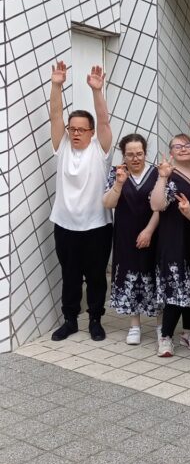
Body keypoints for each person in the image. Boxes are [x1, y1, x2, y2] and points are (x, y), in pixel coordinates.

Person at [49, 61, 113, 342]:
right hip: (65, 225)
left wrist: (97, 91)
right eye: (72, 129)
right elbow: (55, 117)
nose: (74, 133)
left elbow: (104, 120)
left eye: (80, 129)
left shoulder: (101, 151)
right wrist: (56, 85)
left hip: (97, 226)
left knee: (97, 276)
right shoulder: (62, 147)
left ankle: (96, 320)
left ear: (90, 132)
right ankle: (70, 319)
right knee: (70, 275)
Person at [150, 133, 190, 357]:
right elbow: (156, 204)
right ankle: (165, 337)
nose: (183, 149)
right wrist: (162, 177)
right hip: (174, 241)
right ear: (171, 152)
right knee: (175, 290)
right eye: (177, 146)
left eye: (187, 145)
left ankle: (188, 332)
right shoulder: (170, 175)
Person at [103, 134, 159, 344]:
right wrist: (118, 183)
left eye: (139, 154)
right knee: (130, 273)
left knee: (154, 273)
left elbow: (162, 206)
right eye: (130, 155)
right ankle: (134, 324)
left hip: (154, 232)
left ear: (145, 153)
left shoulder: (156, 173)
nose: (135, 158)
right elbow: (108, 203)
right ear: (123, 155)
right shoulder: (118, 173)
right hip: (126, 234)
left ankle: (161, 324)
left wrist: (149, 231)